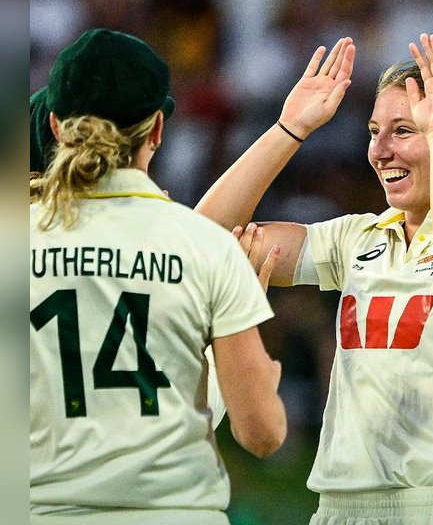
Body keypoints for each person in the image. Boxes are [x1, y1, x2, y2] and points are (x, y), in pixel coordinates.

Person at [196, 34, 433, 524]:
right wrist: (289, 128)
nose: (379, 150)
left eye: (404, 130)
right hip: (341, 508)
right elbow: (204, 239)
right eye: (373, 131)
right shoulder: (357, 237)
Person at [30, 28, 287, 525]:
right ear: (156, 131)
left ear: (57, 126)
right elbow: (263, 434)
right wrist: (250, 372)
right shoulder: (206, 246)